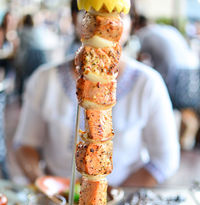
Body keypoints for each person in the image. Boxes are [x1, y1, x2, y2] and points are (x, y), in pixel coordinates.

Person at [13, 0, 180, 187]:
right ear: (75, 19)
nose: (103, 24)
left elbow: (165, 160)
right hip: (59, 200)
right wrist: (43, 184)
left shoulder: (149, 83)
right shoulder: (44, 79)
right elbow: (25, 144)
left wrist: (112, 198)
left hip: (120, 202)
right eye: (91, 14)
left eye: (119, 15)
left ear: (131, 23)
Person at [134, 15, 200, 112]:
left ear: (137, 25)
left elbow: (138, 61)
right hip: (193, 69)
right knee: (186, 109)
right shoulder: (168, 29)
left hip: (175, 74)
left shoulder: (144, 33)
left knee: (168, 107)